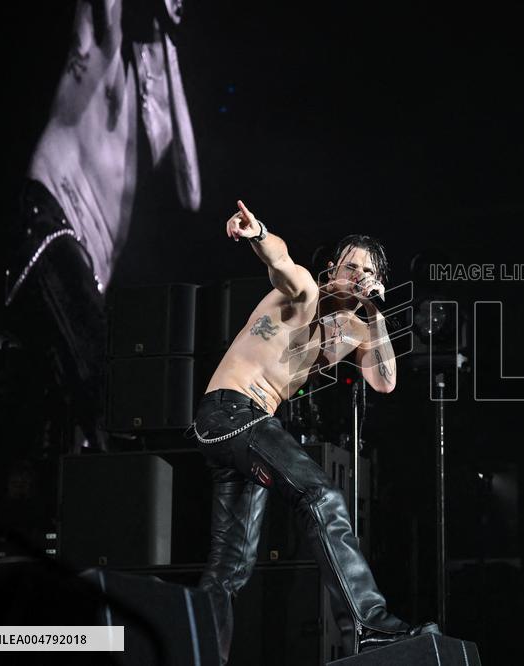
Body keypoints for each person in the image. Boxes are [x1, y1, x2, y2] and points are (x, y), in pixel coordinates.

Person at [191, 200, 437, 662]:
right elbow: (280, 258)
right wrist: (258, 231)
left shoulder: (353, 329)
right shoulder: (305, 290)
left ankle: (198, 651)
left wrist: (375, 311)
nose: (358, 275)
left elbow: (384, 382)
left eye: (367, 270)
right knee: (322, 496)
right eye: (351, 266)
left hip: (245, 428)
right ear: (332, 268)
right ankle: (371, 624)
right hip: (229, 411)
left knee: (230, 569)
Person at [4, 0, 201, 453]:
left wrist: (168, 51)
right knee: (106, 389)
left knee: (72, 425)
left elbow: (190, 190)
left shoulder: (149, 101)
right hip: (50, 228)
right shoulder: (102, 43)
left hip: (83, 272)